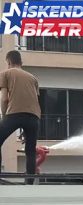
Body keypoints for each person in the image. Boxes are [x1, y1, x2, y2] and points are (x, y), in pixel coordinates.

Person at [0, 50, 41, 181]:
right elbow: (34, 100)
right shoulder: (33, 78)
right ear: (21, 62)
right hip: (34, 117)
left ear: (9, 62)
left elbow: (4, 99)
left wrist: (5, 116)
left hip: (14, 114)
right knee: (30, 151)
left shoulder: (5, 74)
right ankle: (29, 182)